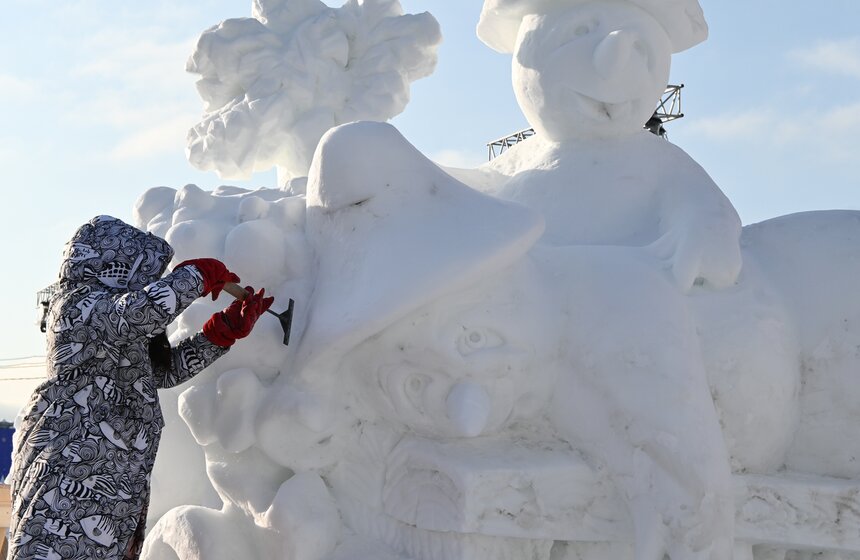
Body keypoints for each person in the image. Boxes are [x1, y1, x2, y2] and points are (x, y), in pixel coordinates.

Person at [6, 215, 272, 560]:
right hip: (66, 475)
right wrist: (195, 277)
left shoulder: (117, 327)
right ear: (109, 264)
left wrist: (221, 333)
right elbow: (135, 314)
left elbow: (160, 373)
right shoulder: (74, 307)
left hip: (115, 484)